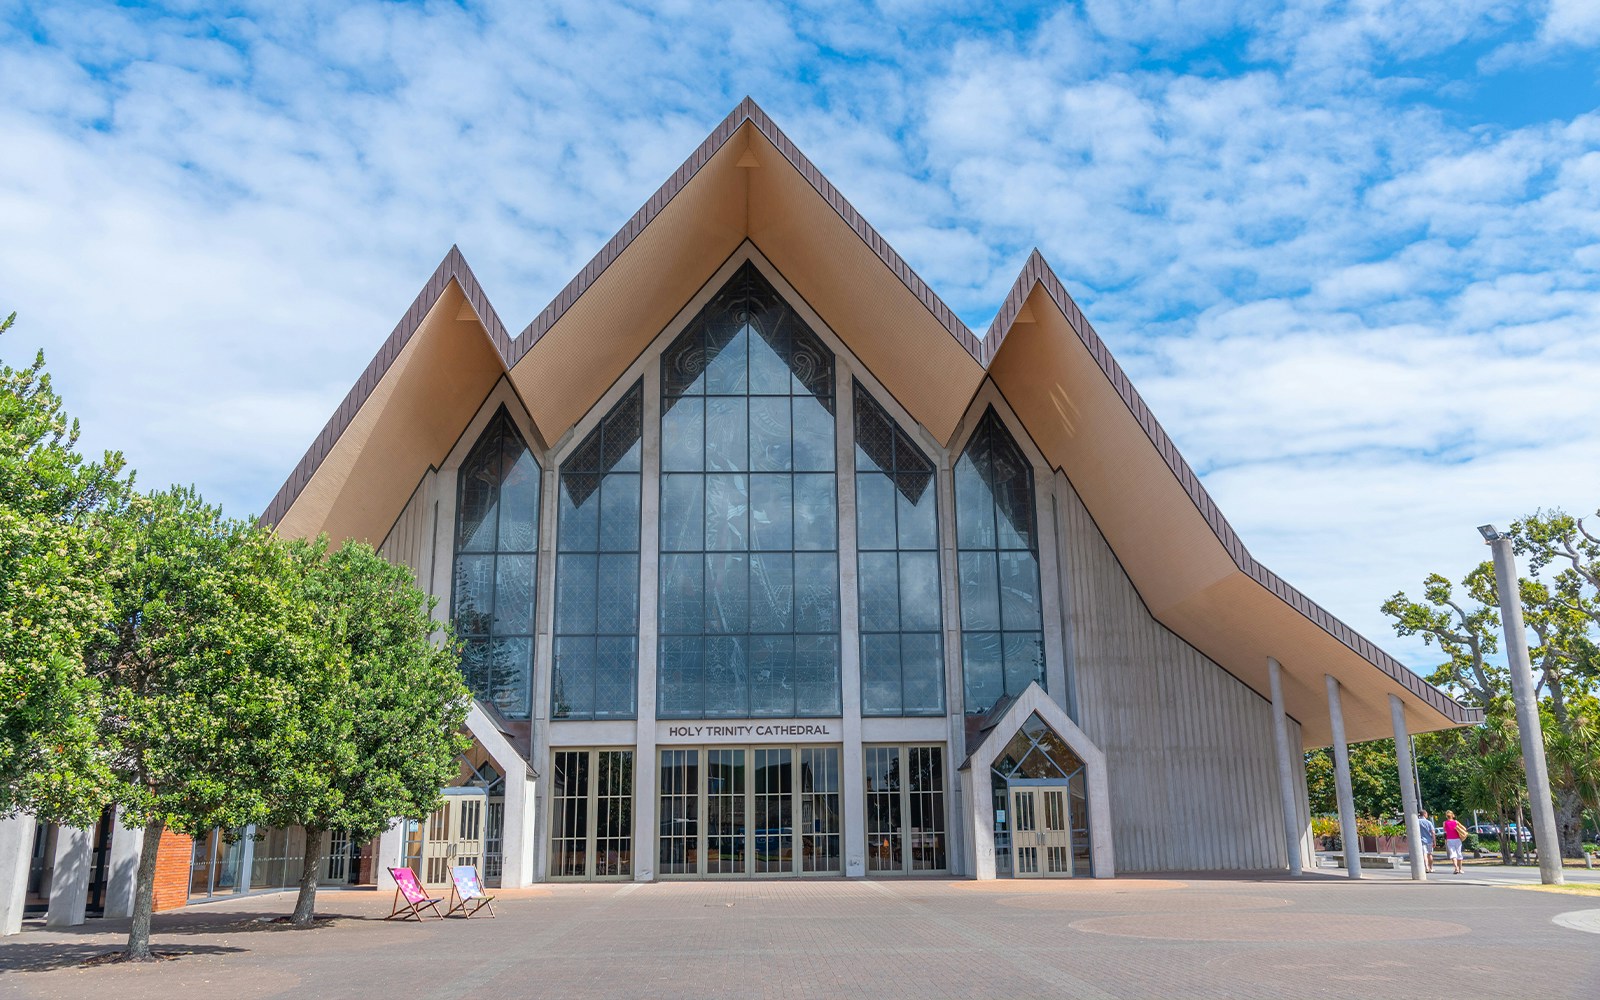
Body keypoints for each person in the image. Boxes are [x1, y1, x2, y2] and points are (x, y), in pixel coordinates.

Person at [1442, 810, 1466, 874]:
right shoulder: (1456, 822)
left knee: (1453, 854)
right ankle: (1460, 869)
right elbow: (1464, 828)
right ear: (1453, 815)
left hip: (1449, 839)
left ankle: (1456, 868)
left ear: (1446, 816)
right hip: (1457, 839)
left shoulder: (1444, 823)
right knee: (1459, 853)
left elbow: (1445, 831)